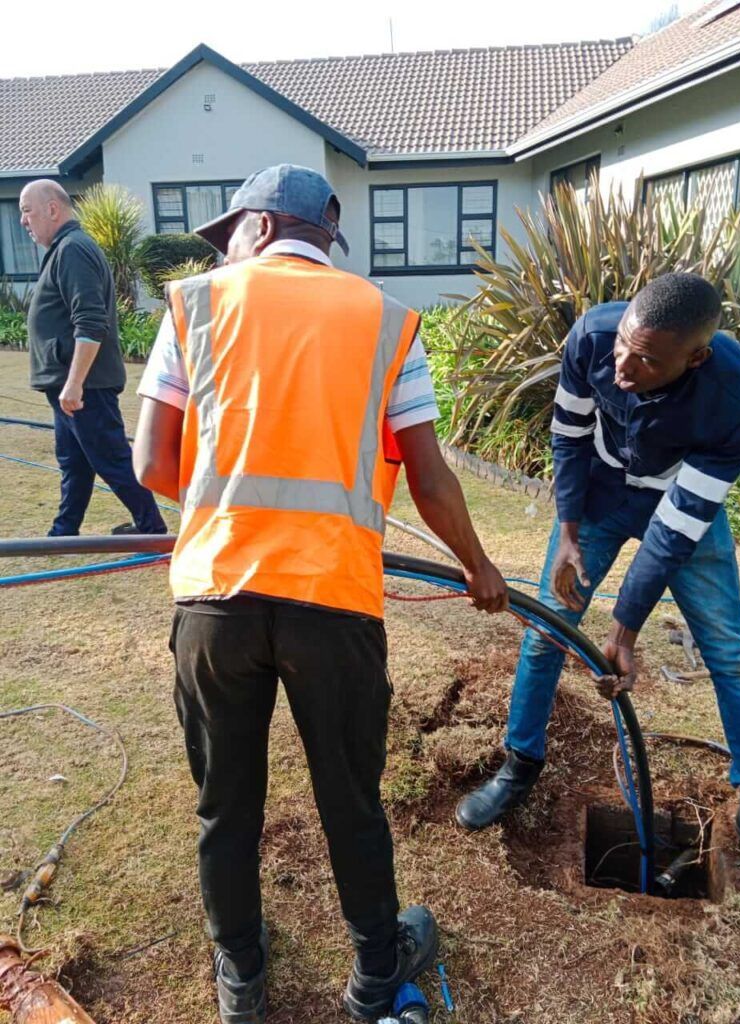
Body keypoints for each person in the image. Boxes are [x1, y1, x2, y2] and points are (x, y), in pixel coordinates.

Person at [132, 164, 508, 1023]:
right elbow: (428, 473)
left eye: (231, 231)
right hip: (333, 605)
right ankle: (377, 970)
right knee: (351, 798)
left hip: (215, 601)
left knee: (225, 802)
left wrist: (225, 502)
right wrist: (479, 567)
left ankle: (241, 979)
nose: (225, 247)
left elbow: (153, 461)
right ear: (322, 237)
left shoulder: (194, 304)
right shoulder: (385, 320)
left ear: (261, 226)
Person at [455, 273, 740, 881]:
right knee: (546, 629)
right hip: (598, 493)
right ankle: (520, 762)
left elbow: (677, 529)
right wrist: (568, 532)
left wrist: (623, 632)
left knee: (728, 650)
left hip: (679, 496)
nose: (624, 366)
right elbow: (568, 435)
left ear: (695, 358)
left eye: (647, 360)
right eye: (624, 345)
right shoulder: (595, 335)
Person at [19, 179, 166, 537]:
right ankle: (64, 532)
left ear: (53, 209)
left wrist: (75, 383)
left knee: (111, 459)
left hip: (85, 386)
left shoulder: (73, 250)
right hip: (70, 384)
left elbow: (90, 320)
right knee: (75, 462)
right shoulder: (63, 248)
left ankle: (153, 529)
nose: (23, 221)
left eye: (27, 211)